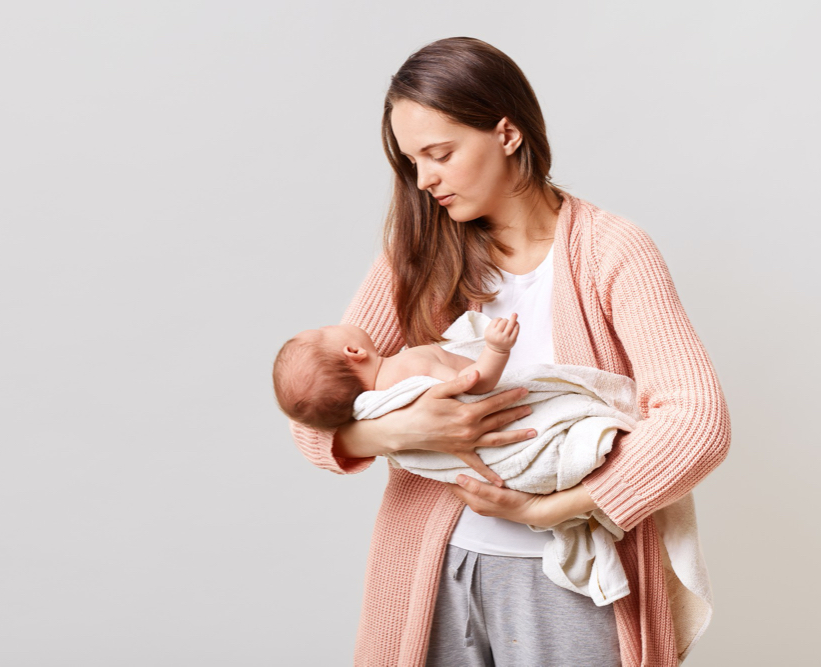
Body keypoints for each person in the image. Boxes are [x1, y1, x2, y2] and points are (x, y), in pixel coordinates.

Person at [285, 37, 730, 667]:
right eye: (411, 161)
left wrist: (555, 508)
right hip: (432, 570)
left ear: (508, 133)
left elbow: (698, 422)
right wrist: (402, 428)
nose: (424, 179)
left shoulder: (612, 252)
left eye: (439, 154)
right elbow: (312, 416)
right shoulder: (415, 257)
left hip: (570, 574)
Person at [271, 313, 521, 429]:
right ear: (354, 352)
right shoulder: (408, 365)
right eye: (325, 329)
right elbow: (473, 386)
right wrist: (496, 350)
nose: (331, 324)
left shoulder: (376, 412)